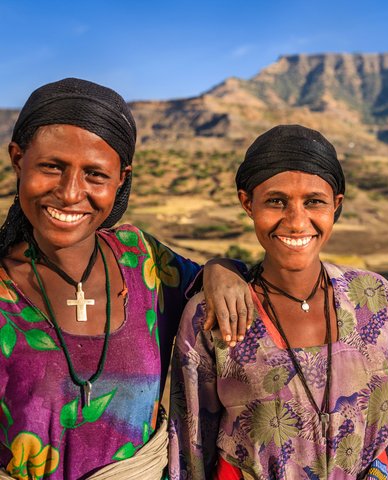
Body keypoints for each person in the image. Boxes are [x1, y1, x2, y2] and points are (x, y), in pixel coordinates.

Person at [0, 78, 252, 480]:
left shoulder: (142, 260)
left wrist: (222, 267)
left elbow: (218, 282)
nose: (69, 193)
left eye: (95, 175)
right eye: (52, 167)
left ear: (122, 179)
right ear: (17, 159)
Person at [169, 124, 388, 479]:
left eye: (314, 201)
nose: (297, 222)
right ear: (247, 203)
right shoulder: (212, 315)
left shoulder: (373, 300)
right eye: (276, 201)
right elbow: (191, 445)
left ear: (335, 206)